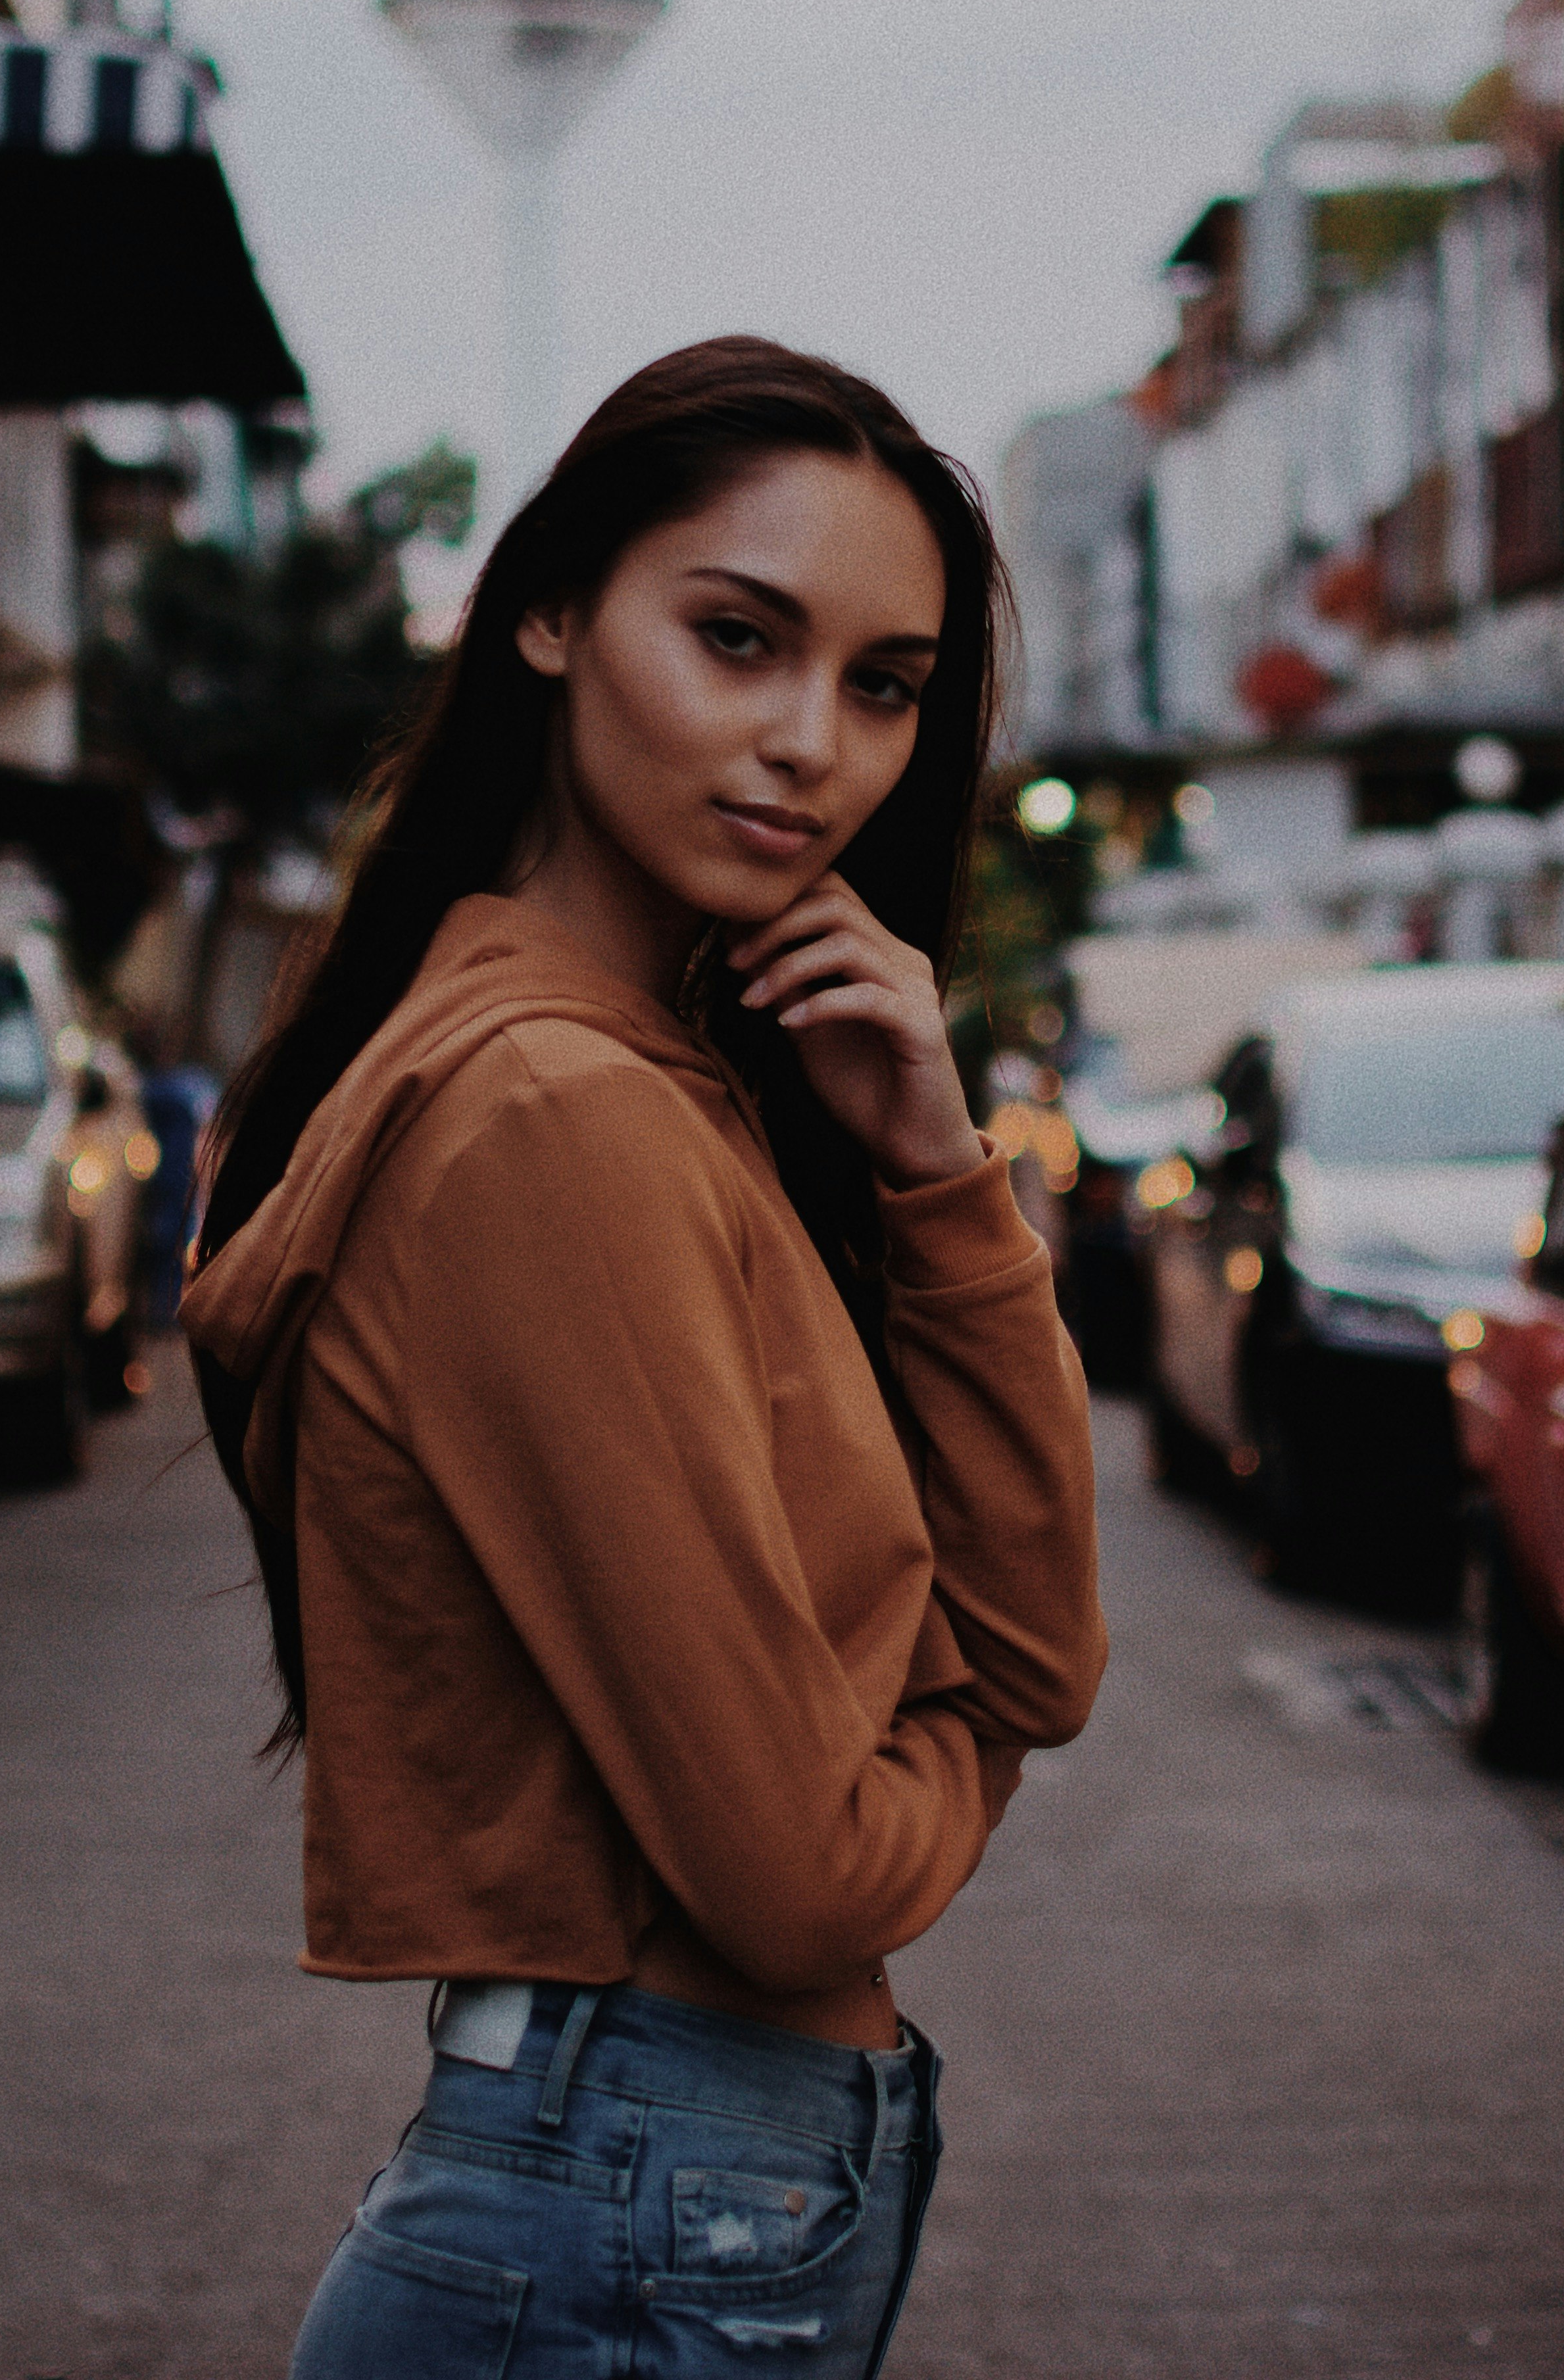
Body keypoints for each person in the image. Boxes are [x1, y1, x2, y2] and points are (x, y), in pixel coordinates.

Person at [179, 335, 1105, 2377]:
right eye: (737, 638)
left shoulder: (649, 1080)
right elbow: (793, 1883)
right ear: (542, 613)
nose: (812, 747)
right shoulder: (551, 1116)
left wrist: (940, 1176)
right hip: (643, 2192)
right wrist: (947, 1758)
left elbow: (1040, 1648)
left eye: (883, 685)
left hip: (654, 2182)